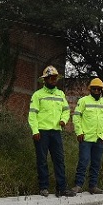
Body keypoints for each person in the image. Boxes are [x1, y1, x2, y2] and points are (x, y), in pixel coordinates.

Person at [28, 66, 74, 197]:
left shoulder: (60, 94)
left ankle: (62, 188)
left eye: (55, 78)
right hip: (41, 132)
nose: (54, 80)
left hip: (56, 132)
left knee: (59, 160)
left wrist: (64, 121)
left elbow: (66, 111)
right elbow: (32, 114)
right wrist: (35, 130)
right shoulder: (38, 95)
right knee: (42, 161)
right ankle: (43, 187)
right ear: (45, 80)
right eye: (51, 78)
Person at [71, 78, 103, 195]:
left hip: (99, 138)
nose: (96, 90)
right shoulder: (83, 101)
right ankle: (78, 185)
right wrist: (79, 132)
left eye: (98, 89)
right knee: (83, 161)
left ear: (101, 90)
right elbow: (76, 117)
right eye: (94, 88)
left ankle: (93, 186)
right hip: (86, 138)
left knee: (96, 163)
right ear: (90, 89)